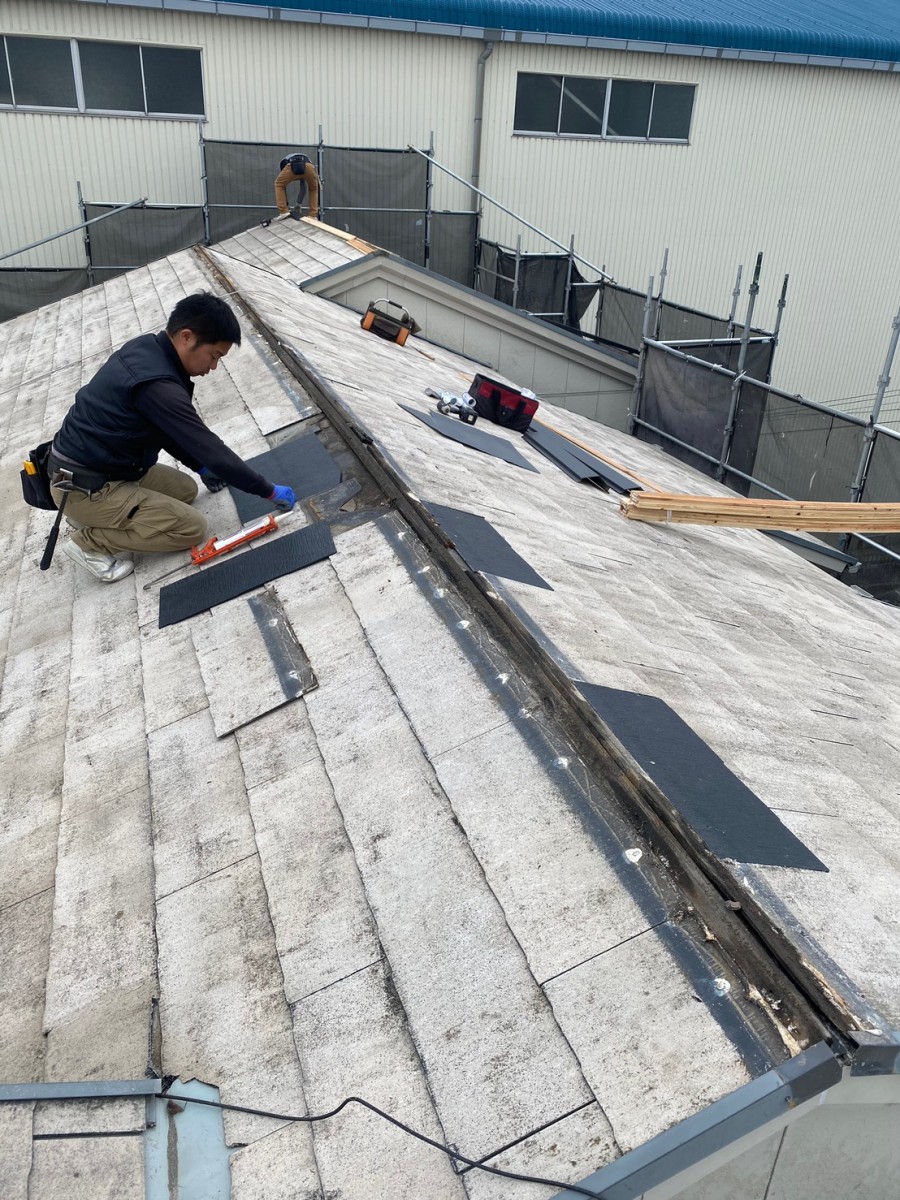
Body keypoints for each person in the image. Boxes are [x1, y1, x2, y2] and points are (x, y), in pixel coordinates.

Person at [49, 292, 296, 583]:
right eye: (214, 356)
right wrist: (267, 490)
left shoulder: (149, 349)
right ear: (187, 337)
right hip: (83, 486)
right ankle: (89, 543)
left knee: (185, 490)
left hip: (109, 468)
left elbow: (163, 428)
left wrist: (200, 466)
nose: (213, 367)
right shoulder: (156, 385)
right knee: (190, 528)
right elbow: (213, 450)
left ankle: (93, 515)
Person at [274, 152, 320, 222]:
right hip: (309, 166)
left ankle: (283, 212)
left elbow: (283, 187)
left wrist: (288, 206)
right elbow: (303, 187)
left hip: (292, 164)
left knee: (279, 184)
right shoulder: (305, 160)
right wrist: (299, 203)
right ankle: (312, 215)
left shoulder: (283, 165)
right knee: (313, 189)